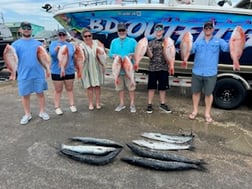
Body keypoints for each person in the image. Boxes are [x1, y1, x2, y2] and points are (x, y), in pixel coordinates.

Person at [187, 21, 229, 123]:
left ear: (213, 30)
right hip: (197, 71)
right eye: (206, 28)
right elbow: (190, 51)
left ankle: (207, 113)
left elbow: (227, 49)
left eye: (210, 28)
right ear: (203, 29)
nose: (208, 29)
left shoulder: (219, 41)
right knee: (196, 92)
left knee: (208, 94)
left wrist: (237, 40)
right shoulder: (197, 42)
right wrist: (186, 43)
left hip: (211, 73)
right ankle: (195, 111)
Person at [11, 22, 50, 125]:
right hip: (23, 74)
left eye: (28, 28)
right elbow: (11, 59)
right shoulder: (15, 45)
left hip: (38, 73)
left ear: (31, 30)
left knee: (40, 93)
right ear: (20, 30)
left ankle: (42, 112)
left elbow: (45, 58)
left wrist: (47, 69)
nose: (26, 30)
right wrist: (12, 71)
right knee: (25, 95)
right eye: (24, 28)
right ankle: (27, 114)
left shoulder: (38, 44)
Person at [145, 23, 174, 114]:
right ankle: (149, 104)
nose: (158, 31)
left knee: (162, 88)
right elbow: (150, 56)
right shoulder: (151, 42)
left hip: (164, 68)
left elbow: (171, 54)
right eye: (157, 30)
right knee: (151, 87)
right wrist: (146, 48)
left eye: (160, 29)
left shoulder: (167, 41)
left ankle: (162, 104)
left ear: (163, 31)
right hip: (153, 68)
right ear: (155, 31)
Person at [109, 23, 137, 113]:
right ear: (117, 32)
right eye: (120, 30)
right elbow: (110, 53)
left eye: (123, 30)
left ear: (126, 31)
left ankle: (132, 104)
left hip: (128, 68)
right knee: (120, 88)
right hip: (118, 70)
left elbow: (138, 52)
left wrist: (133, 55)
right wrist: (113, 56)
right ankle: (121, 104)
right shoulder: (114, 41)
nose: (121, 32)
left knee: (131, 88)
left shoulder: (132, 41)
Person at [49, 29, 77, 115]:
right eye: (60, 35)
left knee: (70, 88)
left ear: (66, 35)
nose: (62, 36)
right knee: (58, 89)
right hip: (57, 71)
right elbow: (52, 56)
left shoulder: (70, 45)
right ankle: (57, 107)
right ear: (57, 36)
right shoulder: (53, 44)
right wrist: (56, 50)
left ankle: (72, 105)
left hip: (69, 70)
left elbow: (73, 57)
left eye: (63, 35)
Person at [80, 28, 106, 110]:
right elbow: (79, 58)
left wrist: (102, 49)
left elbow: (103, 53)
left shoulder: (97, 42)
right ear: (83, 37)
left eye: (89, 35)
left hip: (97, 66)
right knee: (89, 86)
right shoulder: (81, 46)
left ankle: (98, 102)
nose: (88, 37)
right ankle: (90, 103)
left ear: (92, 36)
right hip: (87, 68)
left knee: (97, 86)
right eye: (85, 36)